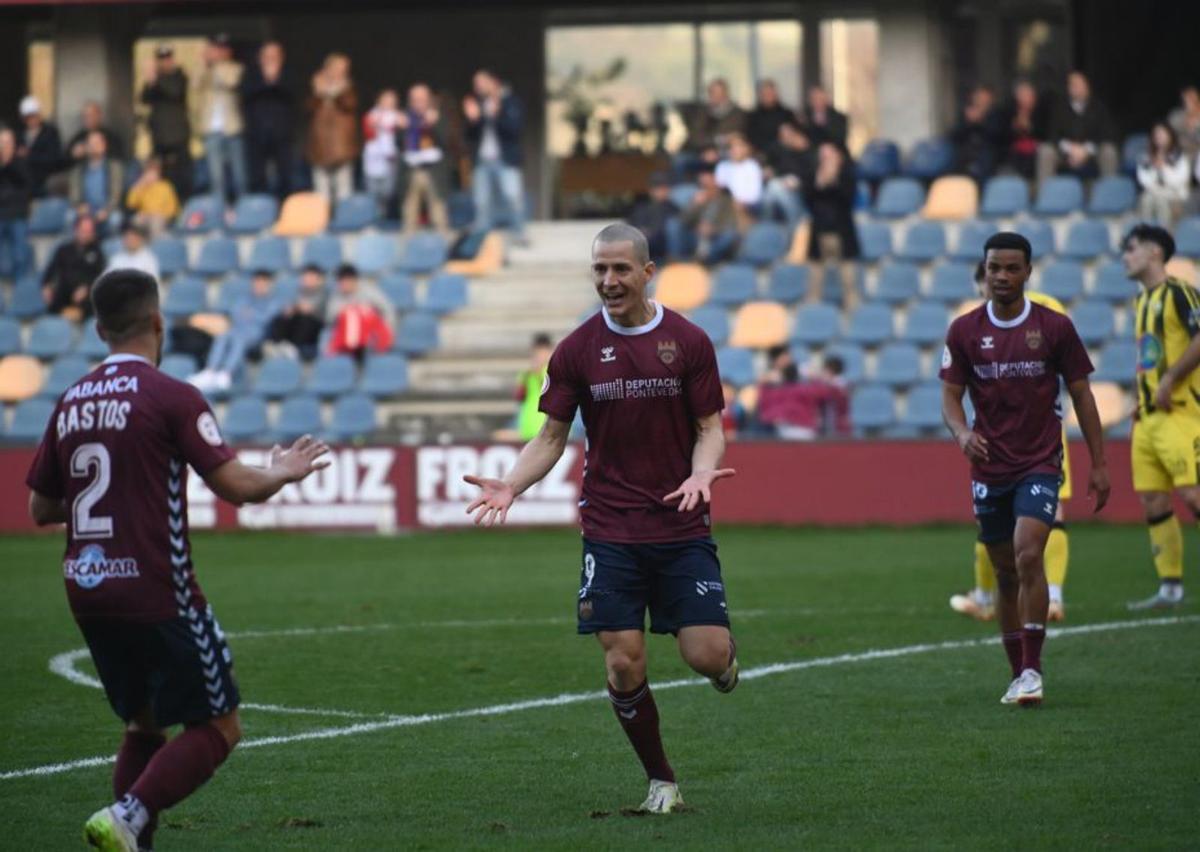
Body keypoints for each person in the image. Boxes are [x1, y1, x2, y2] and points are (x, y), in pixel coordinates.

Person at [25, 267, 329, 850]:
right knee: (220, 725)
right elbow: (236, 486)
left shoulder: (70, 400)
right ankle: (130, 814)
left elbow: (41, 507)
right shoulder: (172, 396)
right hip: (155, 587)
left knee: (143, 723)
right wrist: (283, 471)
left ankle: (132, 833)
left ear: (98, 329)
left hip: (87, 589)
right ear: (159, 323)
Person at [462, 223, 739, 813]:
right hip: (610, 527)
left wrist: (700, 472)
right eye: (599, 270)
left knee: (707, 655)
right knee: (621, 657)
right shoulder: (576, 350)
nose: (608, 281)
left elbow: (709, 429)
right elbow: (552, 437)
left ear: (647, 271)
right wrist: (511, 484)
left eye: (619, 270)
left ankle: (724, 667)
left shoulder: (689, 341)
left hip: (680, 523)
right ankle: (661, 780)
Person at [940, 231, 1109, 707]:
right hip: (989, 467)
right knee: (1003, 571)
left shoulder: (1054, 327)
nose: (1002, 276)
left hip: (1040, 461)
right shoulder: (964, 331)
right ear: (985, 270)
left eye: (1013, 268)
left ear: (1028, 272)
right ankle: (1018, 673)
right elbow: (950, 397)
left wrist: (1099, 464)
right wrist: (962, 434)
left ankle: (1034, 669)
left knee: (1027, 553)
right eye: (995, 268)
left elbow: (1082, 395)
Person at [949, 261, 1074, 623]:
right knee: (1028, 514)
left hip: (1027, 433)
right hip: (1016, 432)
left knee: (1009, 514)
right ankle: (1038, 597)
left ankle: (1005, 598)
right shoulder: (979, 322)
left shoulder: (1037, 312)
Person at [1123, 224, 1200, 610]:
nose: (1125, 256)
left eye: (1132, 248)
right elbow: (1149, 356)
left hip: (1182, 413)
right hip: (1150, 419)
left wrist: (1171, 377)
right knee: (1154, 500)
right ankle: (1170, 588)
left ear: (1155, 252)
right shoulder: (1140, 302)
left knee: (1193, 494)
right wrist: (1142, 395)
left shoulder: (1180, 293)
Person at [191, 270, 282, 392]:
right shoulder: (244, 299)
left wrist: (252, 314)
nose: (259, 286)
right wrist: (252, 315)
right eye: (257, 283)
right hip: (236, 330)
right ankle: (210, 371)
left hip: (256, 335)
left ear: (268, 285)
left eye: (262, 284)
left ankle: (226, 373)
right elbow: (235, 314)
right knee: (222, 337)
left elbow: (267, 318)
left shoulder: (273, 302)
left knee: (239, 340)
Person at [463, 69, 526, 242]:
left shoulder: (510, 102)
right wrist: (473, 119)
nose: (478, 87)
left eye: (482, 83)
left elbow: (514, 130)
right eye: (476, 84)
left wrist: (495, 115)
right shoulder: (477, 104)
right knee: (481, 201)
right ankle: (482, 238)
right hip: (482, 160)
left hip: (505, 159)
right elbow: (469, 136)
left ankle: (519, 232)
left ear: (494, 82)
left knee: (512, 196)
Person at [802, 142, 860, 310]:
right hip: (819, 231)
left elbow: (847, 199)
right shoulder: (813, 176)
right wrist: (820, 182)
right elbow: (808, 199)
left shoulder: (847, 176)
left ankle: (852, 307)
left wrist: (833, 180)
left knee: (848, 274)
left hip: (842, 231)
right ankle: (813, 308)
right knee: (815, 274)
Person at [1037, 70, 1118, 184]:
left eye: (1081, 84)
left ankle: (1109, 194)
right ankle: (1045, 196)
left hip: (1091, 153)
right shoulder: (1059, 108)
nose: (1078, 88)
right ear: (1069, 88)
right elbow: (1053, 134)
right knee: (1046, 151)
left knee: (1109, 151)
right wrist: (1070, 149)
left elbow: (1107, 134)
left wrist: (1086, 150)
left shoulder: (1099, 108)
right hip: (1065, 153)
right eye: (1074, 85)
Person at [241, 40, 296, 198]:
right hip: (256, 133)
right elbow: (246, 94)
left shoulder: (288, 73)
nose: (271, 59)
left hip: (282, 133)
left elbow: (291, 94)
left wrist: (275, 80)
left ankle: (284, 206)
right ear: (260, 57)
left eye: (275, 55)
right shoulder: (251, 74)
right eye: (267, 55)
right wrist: (266, 81)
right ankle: (261, 208)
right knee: (257, 175)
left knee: (285, 174)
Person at [196, 33, 246, 202]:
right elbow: (196, 83)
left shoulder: (235, 68)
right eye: (215, 49)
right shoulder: (205, 69)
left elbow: (230, 82)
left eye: (221, 50)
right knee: (216, 177)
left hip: (232, 128)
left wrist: (216, 64)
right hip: (212, 129)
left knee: (239, 175)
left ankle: (242, 208)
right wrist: (204, 63)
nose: (218, 53)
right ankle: (218, 210)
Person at [755, 348, 849, 440]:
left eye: (788, 358)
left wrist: (817, 378)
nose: (787, 361)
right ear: (775, 360)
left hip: (802, 428)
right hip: (779, 429)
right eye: (783, 358)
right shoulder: (770, 384)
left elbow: (832, 392)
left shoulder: (805, 385)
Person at [140, 45, 193, 200]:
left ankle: (184, 203)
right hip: (160, 137)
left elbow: (175, 92)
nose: (165, 63)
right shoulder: (155, 79)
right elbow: (144, 98)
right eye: (161, 60)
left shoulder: (179, 76)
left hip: (178, 136)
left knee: (182, 174)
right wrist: (150, 80)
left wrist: (156, 79)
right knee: (161, 174)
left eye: (167, 59)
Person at [307, 53, 359, 207]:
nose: (341, 73)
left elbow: (350, 105)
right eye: (338, 69)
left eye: (344, 69)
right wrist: (318, 92)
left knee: (344, 189)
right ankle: (322, 221)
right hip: (320, 146)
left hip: (342, 146)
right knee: (322, 191)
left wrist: (339, 91)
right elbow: (308, 109)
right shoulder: (316, 87)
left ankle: (345, 219)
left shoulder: (348, 88)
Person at [399, 83, 450, 233]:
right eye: (414, 100)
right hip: (411, 171)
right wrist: (401, 129)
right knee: (409, 215)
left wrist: (435, 124)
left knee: (438, 215)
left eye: (422, 99)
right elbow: (399, 145)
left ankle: (443, 250)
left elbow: (447, 142)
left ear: (429, 100)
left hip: (434, 172)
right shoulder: (405, 118)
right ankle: (407, 251)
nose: (418, 103)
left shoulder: (438, 115)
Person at [669, 162, 739, 264]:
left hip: (714, 239)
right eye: (704, 185)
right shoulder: (698, 198)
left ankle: (705, 260)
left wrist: (713, 230)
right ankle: (675, 260)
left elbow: (731, 224)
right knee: (673, 223)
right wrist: (695, 205)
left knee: (730, 236)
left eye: (709, 183)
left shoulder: (726, 201)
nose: (706, 187)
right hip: (696, 237)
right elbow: (683, 220)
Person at [325, 262, 394, 361]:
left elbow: (387, 310)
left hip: (370, 335)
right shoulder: (336, 295)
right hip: (345, 336)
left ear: (355, 280)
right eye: (341, 281)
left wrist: (388, 328)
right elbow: (330, 319)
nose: (344, 284)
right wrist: (346, 311)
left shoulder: (369, 291)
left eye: (347, 280)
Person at [42, 214, 106, 319]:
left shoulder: (97, 252)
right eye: (83, 231)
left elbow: (99, 275)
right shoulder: (63, 250)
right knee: (54, 300)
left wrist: (87, 288)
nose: (86, 234)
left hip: (86, 295)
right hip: (64, 293)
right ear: (76, 230)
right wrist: (46, 286)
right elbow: (51, 270)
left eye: (89, 232)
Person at [264, 263, 328, 361]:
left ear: (318, 279)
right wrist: (291, 309)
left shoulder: (323, 293)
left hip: (315, 326)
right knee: (282, 318)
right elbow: (294, 307)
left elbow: (308, 309)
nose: (307, 280)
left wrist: (296, 307)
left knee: (305, 319)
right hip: (298, 322)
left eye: (311, 277)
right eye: (305, 277)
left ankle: (293, 348)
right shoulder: (299, 291)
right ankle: (277, 345)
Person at [1135, 123, 1190, 227]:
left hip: (1174, 194)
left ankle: (1163, 235)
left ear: (1169, 135)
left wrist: (1164, 168)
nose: (1159, 136)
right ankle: (1146, 232)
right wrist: (1155, 168)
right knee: (1146, 199)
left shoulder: (1179, 156)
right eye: (1157, 133)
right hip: (1153, 192)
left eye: (1162, 133)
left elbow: (1179, 181)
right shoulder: (1146, 157)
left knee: (1161, 202)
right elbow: (1144, 180)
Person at [68, 129, 124, 230]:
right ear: (86, 147)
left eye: (97, 143)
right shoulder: (78, 170)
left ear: (104, 146)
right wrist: (79, 206)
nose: (94, 146)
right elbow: (74, 194)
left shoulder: (114, 167)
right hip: (85, 209)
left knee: (115, 220)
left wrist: (106, 211)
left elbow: (116, 194)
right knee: (69, 217)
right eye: (91, 144)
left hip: (107, 209)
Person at [993, 80, 1047, 180]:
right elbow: (1001, 136)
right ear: (1017, 97)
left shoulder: (1041, 112)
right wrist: (1015, 127)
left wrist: (1030, 127)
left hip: (1035, 151)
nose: (1028, 99)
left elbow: (1045, 135)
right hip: (1014, 152)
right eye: (1023, 95)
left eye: (1030, 95)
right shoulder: (1007, 112)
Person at [761, 121, 812, 225]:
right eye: (783, 135)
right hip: (782, 187)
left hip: (802, 190)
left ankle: (767, 225)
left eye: (789, 134)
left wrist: (798, 181)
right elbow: (776, 168)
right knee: (773, 188)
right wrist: (771, 172)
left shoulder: (806, 151)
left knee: (773, 188)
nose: (786, 137)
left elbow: (809, 174)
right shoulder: (778, 150)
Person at [0, 125, 33, 282]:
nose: (5, 146)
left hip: (18, 214)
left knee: (20, 254)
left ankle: (20, 287)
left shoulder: (22, 162)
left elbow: (26, 186)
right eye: (2, 142)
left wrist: (9, 163)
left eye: (8, 142)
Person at [362, 89, 402, 218]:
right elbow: (368, 134)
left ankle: (386, 214)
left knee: (389, 191)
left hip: (390, 158)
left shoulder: (398, 116)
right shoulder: (371, 115)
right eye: (386, 99)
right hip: (373, 157)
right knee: (373, 190)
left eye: (392, 100)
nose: (389, 102)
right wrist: (374, 125)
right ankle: (374, 216)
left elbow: (402, 134)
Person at [626, 172, 679, 264]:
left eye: (664, 188)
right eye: (658, 188)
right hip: (646, 252)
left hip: (665, 252)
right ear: (651, 190)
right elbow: (632, 228)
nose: (661, 191)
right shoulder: (641, 208)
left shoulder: (674, 209)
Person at [683, 78, 746, 155]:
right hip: (701, 151)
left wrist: (718, 151)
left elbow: (737, 137)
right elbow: (695, 138)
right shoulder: (702, 113)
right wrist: (719, 140)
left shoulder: (738, 114)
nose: (715, 96)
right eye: (712, 92)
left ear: (726, 93)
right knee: (681, 160)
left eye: (718, 93)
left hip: (728, 153)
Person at [16, 95, 63, 197]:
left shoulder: (50, 132)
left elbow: (55, 159)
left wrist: (29, 155)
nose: (31, 120)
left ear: (39, 115)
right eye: (27, 117)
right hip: (26, 186)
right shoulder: (20, 134)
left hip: (46, 185)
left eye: (33, 116)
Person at [950, 84, 998, 183]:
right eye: (979, 97)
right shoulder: (966, 114)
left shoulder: (996, 114)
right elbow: (954, 136)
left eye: (985, 99)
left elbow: (996, 136)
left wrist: (981, 121)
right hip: (966, 157)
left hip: (988, 156)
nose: (981, 101)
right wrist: (968, 123)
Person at [125, 157, 180, 237]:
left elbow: (173, 209)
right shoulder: (142, 187)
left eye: (153, 173)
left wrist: (160, 214)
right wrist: (139, 185)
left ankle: (155, 246)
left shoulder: (166, 187)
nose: (151, 175)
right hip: (145, 216)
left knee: (155, 222)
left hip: (160, 217)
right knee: (136, 221)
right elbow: (130, 203)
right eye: (148, 173)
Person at [514, 333, 552, 441]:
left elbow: (549, 391)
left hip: (548, 428)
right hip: (528, 427)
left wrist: (539, 372)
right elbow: (519, 396)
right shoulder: (526, 374)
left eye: (542, 351)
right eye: (537, 351)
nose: (539, 355)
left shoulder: (553, 370)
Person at [714, 132, 763, 218]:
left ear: (746, 149)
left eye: (739, 146)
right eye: (731, 147)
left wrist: (739, 203)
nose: (735, 150)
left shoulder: (752, 166)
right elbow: (719, 189)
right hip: (725, 205)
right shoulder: (722, 166)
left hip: (748, 207)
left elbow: (755, 196)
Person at [66, 100, 125, 166]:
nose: (88, 119)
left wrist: (100, 152)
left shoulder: (112, 138)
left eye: (91, 115)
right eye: (85, 116)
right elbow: (65, 163)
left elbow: (119, 160)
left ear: (99, 115)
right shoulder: (77, 138)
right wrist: (73, 155)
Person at [745, 79, 795, 157]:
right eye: (765, 93)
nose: (768, 95)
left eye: (770, 92)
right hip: (760, 154)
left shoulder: (787, 114)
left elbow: (794, 136)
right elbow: (749, 138)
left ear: (776, 94)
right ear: (760, 95)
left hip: (784, 154)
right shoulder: (752, 116)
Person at [1167, 84, 1200, 164]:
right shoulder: (1175, 117)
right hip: (1180, 157)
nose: (1189, 100)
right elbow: (1166, 137)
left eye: (1192, 97)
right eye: (1186, 97)